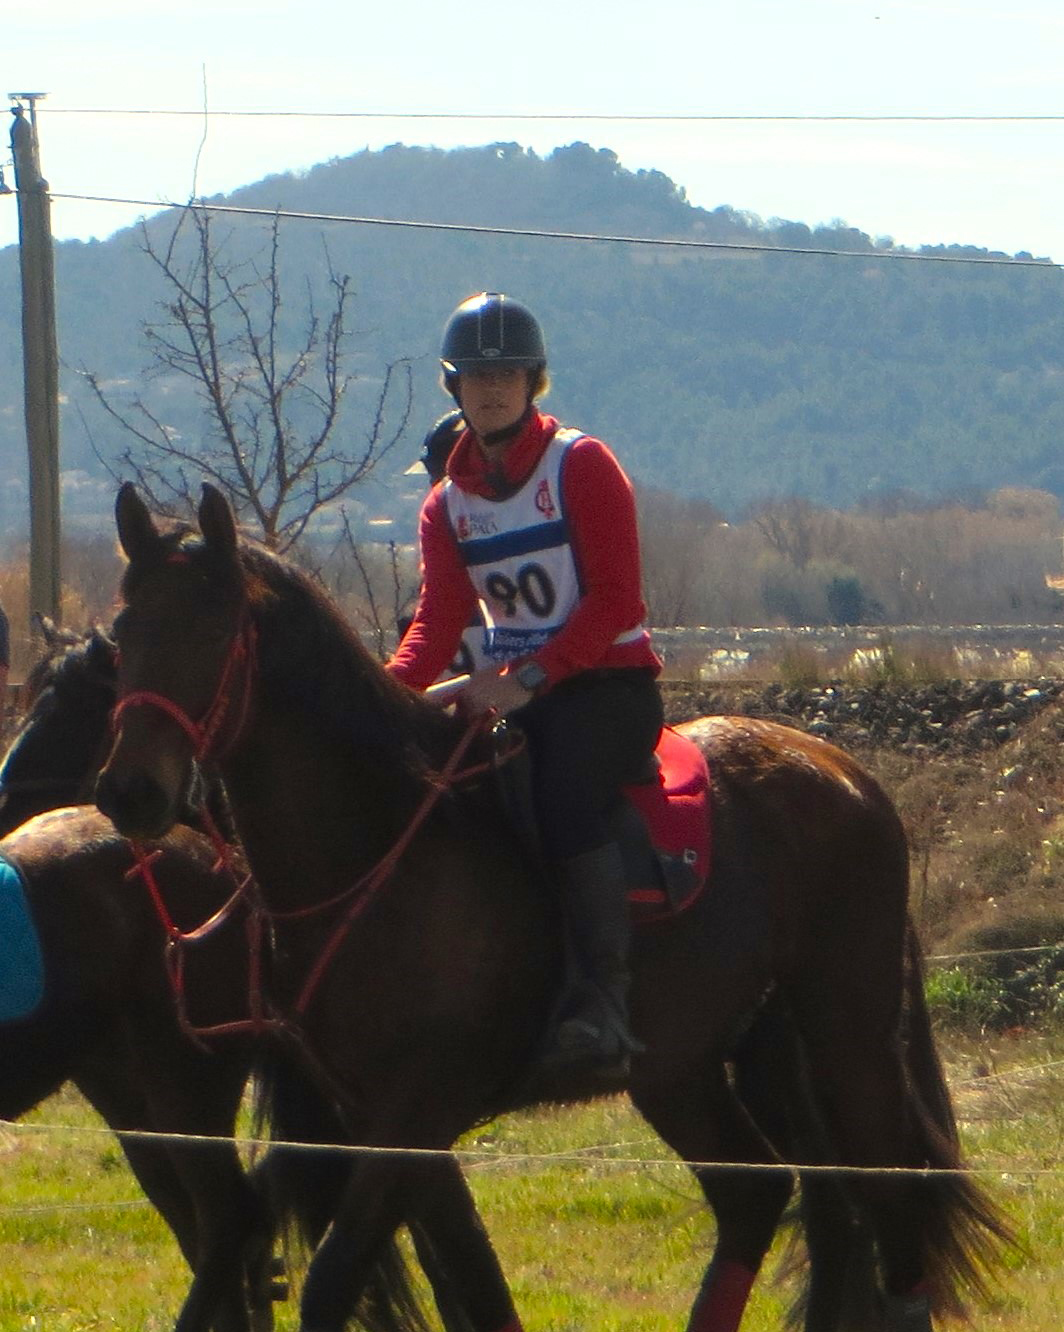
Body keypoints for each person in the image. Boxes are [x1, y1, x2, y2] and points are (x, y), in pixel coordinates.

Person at [389, 291, 663, 1076]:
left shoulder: (581, 463)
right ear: (455, 387)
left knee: (561, 797)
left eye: (508, 373)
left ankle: (603, 1004)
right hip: (514, 688)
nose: (493, 388)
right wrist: (387, 698)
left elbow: (617, 599)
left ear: (534, 381)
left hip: (605, 688)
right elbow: (438, 621)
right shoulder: (446, 504)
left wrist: (528, 676)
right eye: (477, 375)